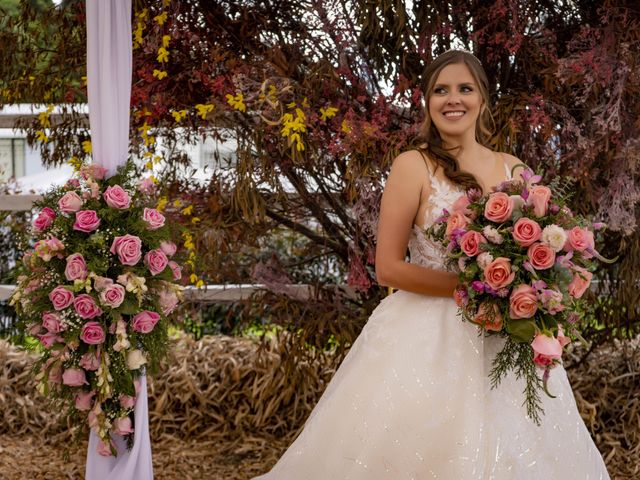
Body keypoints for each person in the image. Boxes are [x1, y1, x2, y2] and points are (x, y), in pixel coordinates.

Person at [253, 50, 610, 479]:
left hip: (505, 335)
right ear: (426, 100)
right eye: (441, 90)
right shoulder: (413, 166)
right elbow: (387, 268)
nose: (452, 99)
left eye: (464, 88)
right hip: (425, 335)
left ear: (482, 99)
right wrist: (474, 286)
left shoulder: (514, 170)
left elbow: (544, 255)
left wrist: (532, 288)